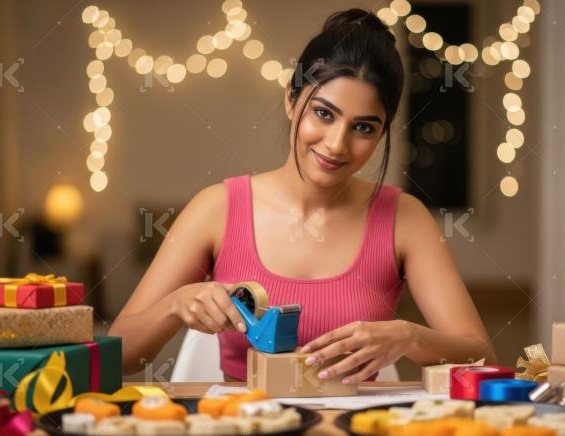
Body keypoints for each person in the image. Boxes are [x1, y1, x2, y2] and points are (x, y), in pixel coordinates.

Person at [109, 8, 496, 384]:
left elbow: (482, 358)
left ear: (381, 134)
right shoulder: (217, 208)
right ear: (292, 101)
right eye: (324, 114)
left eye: (363, 127)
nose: (336, 144)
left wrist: (409, 336)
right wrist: (175, 305)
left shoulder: (405, 219)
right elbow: (118, 355)